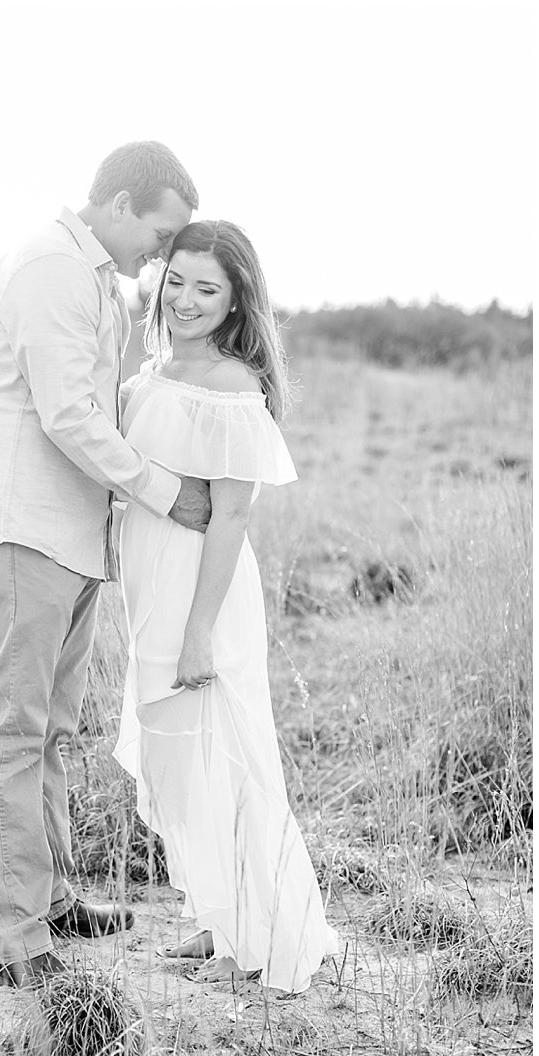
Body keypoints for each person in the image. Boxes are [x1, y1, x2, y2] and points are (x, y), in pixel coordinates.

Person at [0, 142, 212, 989]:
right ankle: (8, 938)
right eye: (162, 233)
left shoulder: (94, 276)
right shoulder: (51, 270)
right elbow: (67, 414)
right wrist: (163, 491)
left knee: (49, 732)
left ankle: (52, 899)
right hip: (22, 529)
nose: (163, 254)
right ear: (122, 203)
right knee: (9, 731)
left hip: (66, 537)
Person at [113, 220, 342, 993]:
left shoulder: (233, 387)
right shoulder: (151, 370)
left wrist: (198, 631)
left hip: (201, 596)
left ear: (236, 299)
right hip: (150, 587)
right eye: (174, 280)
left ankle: (265, 931)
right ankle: (215, 918)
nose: (183, 298)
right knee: (178, 761)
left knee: (226, 754)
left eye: (205, 288)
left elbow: (231, 515)